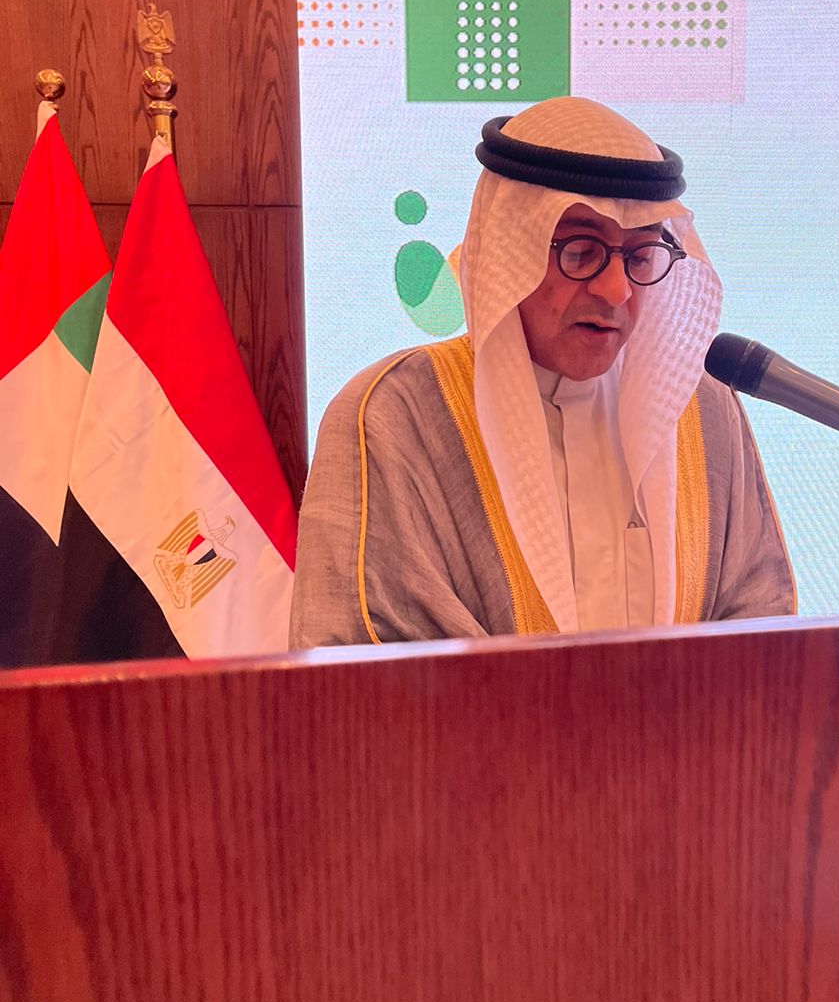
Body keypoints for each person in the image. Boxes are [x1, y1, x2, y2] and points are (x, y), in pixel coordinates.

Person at [290, 97, 796, 646]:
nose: (617, 290)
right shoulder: (396, 418)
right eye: (581, 251)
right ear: (512, 251)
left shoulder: (705, 410)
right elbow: (372, 659)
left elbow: (760, 624)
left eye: (640, 256)